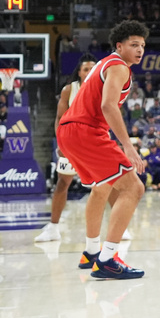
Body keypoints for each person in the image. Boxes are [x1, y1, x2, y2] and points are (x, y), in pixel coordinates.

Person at [55, 20, 149, 279]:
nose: (140, 49)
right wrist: (127, 145)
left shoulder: (104, 63)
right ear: (119, 46)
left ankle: (91, 251)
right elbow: (109, 106)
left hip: (70, 131)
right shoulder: (119, 66)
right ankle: (108, 259)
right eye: (134, 45)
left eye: (142, 45)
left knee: (102, 188)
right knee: (133, 188)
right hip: (86, 131)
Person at [36, 54, 134, 243]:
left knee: (110, 183)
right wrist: (60, 143)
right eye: (85, 69)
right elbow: (59, 117)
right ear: (79, 73)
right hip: (74, 139)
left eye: (92, 68)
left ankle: (118, 228)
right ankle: (53, 227)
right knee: (63, 183)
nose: (89, 71)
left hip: (95, 140)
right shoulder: (69, 90)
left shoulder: (105, 84)